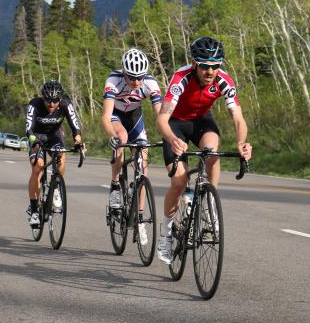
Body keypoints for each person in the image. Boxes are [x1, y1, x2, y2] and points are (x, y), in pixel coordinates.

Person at [155, 36, 252, 264]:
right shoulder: (181, 77)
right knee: (178, 182)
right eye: (205, 66)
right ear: (195, 63)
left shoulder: (224, 80)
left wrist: (241, 143)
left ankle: (209, 205)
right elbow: (161, 119)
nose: (211, 71)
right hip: (175, 124)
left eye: (216, 65)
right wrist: (171, 139)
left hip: (201, 121)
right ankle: (166, 233)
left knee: (212, 151)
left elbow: (238, 118)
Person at [101, 48, 162, 244]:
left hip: (135, 118)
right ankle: (115, 186)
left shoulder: (151, 83)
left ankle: (140, 218)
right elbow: (105, 117)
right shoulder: (113, 80)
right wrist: (111, 135)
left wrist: (169, 136)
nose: (136, 82)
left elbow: (161, 116)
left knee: (143, 166)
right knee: (122, 137)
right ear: (124, 72)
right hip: (116, 117)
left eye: (140, 78)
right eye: (132, 77)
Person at [25, 79, 84, 227]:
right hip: (36, 136)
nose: (51, 104)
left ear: (60, 98)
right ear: (42, 97)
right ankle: (34, 211)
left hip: (54, 136)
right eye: (48, 100)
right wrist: (34, 140)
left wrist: (78, 140)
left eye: (55, 100)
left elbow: (75, 125)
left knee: (62, 156)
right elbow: (29, 128)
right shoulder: (34, 104)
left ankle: (56, 186)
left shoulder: (65, 104)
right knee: (38, 167)